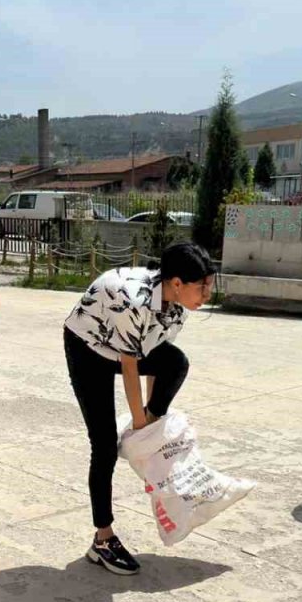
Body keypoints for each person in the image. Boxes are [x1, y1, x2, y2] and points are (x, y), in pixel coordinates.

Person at [63, 242, 216, 575]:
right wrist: (137, 426)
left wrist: (151, 420)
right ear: (177, 283)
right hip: (88, 349)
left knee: (176, 363)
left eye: (209, 286)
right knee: (103, 446)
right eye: (201, 287)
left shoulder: (176, 308)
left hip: (121, 347)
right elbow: (130, 369)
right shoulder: (133, 300)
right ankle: (103, 540)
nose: (207, 294)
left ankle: (146, 422)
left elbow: (155, 362)